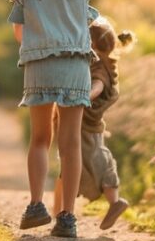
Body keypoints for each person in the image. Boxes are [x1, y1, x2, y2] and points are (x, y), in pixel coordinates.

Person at [5, 0, 102, 240]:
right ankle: (68, 217)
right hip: (76, 65)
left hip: (40, 65)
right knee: (71, 143)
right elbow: (85, 22)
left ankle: (35, 206)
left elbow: (20, 33)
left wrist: (40, 37)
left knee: (40, 139)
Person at [51, 18, 133, 229]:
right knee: (101, 161)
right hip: (94, 126)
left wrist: (85, 96)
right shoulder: (108, 64)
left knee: (73, 165)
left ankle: (59, 210)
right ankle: (113, 202)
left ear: (92, 44)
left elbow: (98, 85)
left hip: (83, 127)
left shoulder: (99, 66)